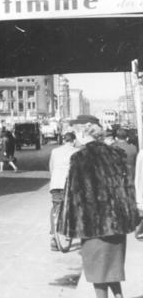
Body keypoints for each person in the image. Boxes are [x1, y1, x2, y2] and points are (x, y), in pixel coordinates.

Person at [59, 124, 138, 298]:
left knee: (97, 273)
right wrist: (131, 218)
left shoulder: (79, 158)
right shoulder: (117, 154)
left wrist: (68, 228)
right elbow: (128, 189)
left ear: (85, 135)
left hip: (91, 225)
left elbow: (73, 194)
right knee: (113, 269)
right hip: (116, 223)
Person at [48, 131, 80, 250]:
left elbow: (51, 168)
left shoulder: (54, 151)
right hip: (69, 184)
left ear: (64, 140)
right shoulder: (76, 152)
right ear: (74, 141)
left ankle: (53, 237)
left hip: (56, 183)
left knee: (55, 207)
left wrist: (54, 180)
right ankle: (68, 232)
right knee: (72, 207)